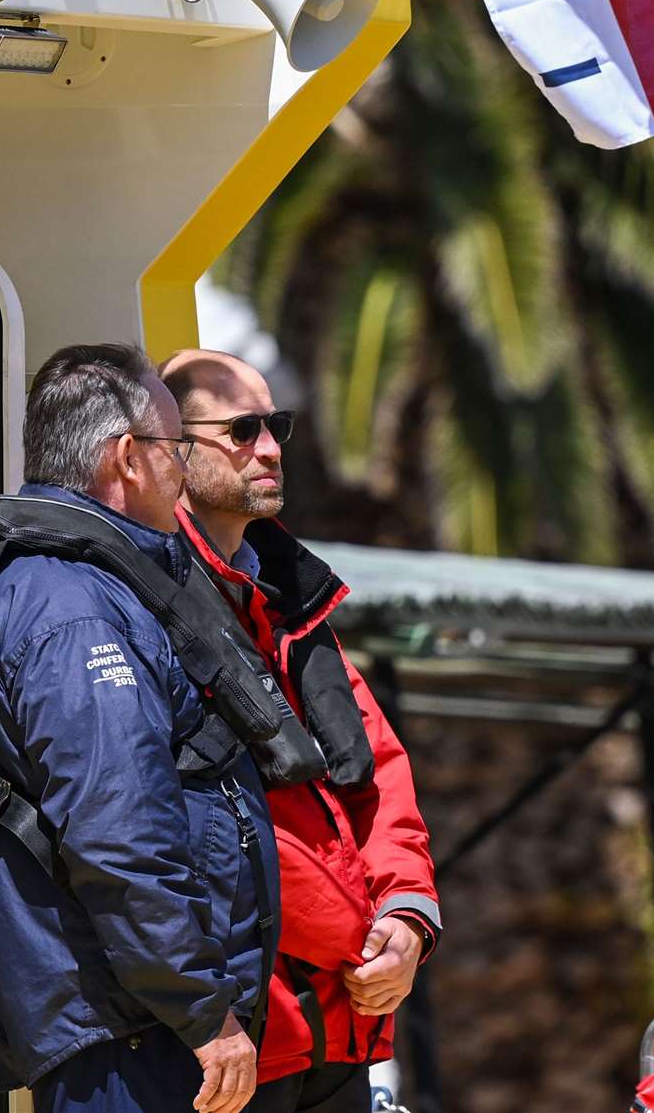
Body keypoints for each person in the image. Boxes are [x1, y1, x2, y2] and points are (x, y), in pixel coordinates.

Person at [0, 344, 279, 1113]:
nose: (182, 471)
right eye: (175, 449)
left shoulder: (77, 587)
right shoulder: (75, 611)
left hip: (136, 1018)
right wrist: (203, 1011)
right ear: (128, 459)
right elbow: (118, 835)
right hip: (132, 1035)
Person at [159, 349, 442, 1113]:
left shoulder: (294, 604)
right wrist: (360, 938)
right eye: (243, 429)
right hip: (235, 1044)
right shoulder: (142, 607)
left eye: (275, 424)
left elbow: (381, 777)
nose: (273, 447)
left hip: (339, 1037)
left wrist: (410, 919)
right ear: (169, 447)